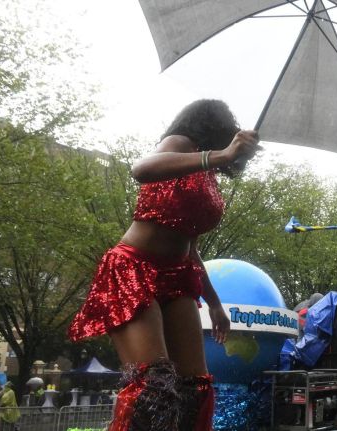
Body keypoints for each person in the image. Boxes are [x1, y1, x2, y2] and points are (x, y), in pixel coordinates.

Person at [67, 99, 261, 431]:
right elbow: (141, 169)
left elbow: (191, 246)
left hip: (179, 277)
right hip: (134, 269)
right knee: (154, 387)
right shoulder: (180, 145)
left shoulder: (207, 173)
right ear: (212, 124)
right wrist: (223, 154)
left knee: (193, 388)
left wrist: (215, 304)